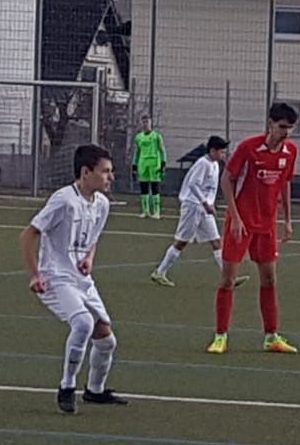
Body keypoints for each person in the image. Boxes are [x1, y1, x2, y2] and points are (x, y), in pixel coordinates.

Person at [20, 143, 125, 414]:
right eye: (105, 171)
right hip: (56, 277)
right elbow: (29, 234)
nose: (111, 177)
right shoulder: (63, 200)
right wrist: (35, 275)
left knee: (106, 340)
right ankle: (67, 387)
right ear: (86, 172)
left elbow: (93, 239)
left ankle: (95, 391)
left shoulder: (102, 204)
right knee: (83, 323)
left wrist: (89, 258)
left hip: (81, 280)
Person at [209, 102, 300, 355]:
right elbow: (227, 179)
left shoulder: (290, 152)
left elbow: (285, 184)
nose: (286, 132)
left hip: (267, 225)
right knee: (228, 279)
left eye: (290, 128)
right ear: (270, 124)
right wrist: (235, 217)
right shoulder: (249, 148)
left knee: (269, 279)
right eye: (282, 126)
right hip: (241, 223)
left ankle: (271, 337)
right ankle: (220, 336)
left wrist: (287, 219)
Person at [150, 136, 249, 287]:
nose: (223, 155)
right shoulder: (203, 164)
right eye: (221, 152)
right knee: (181, 242)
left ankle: (229, 277)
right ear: (212, 151)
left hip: (204, 209)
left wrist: (209, 203)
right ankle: (160, 272)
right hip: (193, 206)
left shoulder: (215, 165)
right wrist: (204, 202)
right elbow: (193, 184)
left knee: (216, 242)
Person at [133, 116, 167, 219]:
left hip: (154, 164)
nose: (145, 124)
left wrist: (163, 163)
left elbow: (162, 150)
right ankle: (145, 211)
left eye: (147, 122)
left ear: (150, 123)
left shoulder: (156, 136)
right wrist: (134, 166)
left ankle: (156, 212)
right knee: (144, 188)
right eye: (143, 122)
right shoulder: (138, 137)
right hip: (143, 164)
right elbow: (137, 153)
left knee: (155, 187)